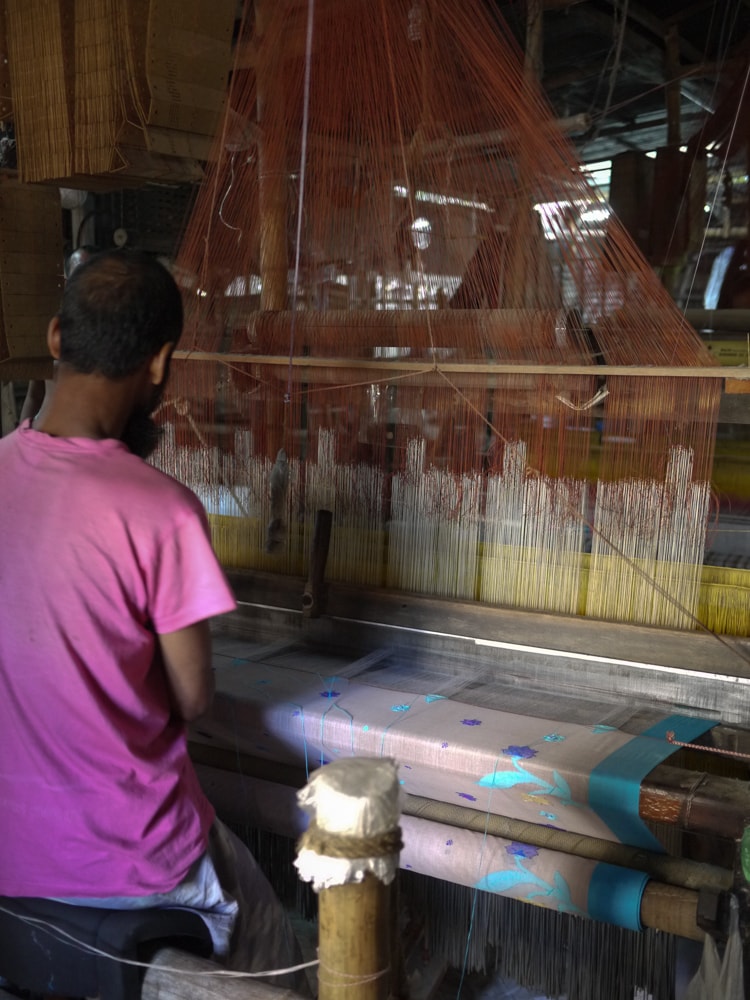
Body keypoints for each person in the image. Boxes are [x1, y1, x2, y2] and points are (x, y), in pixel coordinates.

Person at [0, 249, 306, 989]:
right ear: (162, 362)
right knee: (279, 937)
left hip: (12, 863)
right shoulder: (161, 511)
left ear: (53, 338)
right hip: (134, 864)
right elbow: (195, 698)